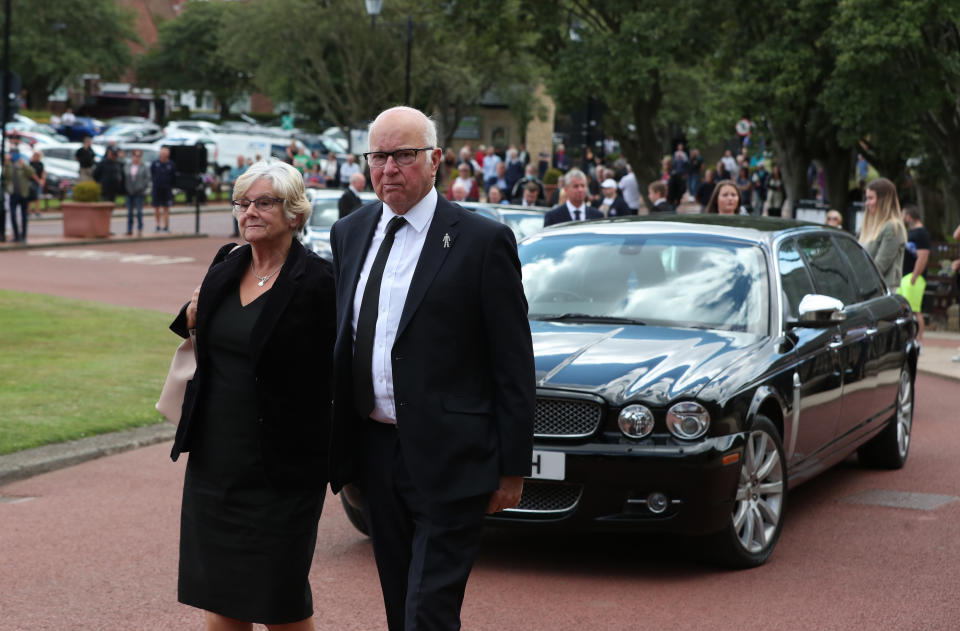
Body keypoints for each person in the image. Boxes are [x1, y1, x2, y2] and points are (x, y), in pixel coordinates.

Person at [328, 106, 535, 631]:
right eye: (379, 156)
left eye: (404, 155)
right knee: (400, 606)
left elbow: (512, 362)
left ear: (436, 160)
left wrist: (513, 467)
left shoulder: (482, 241)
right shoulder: (349, 233)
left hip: (452, 457)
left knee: (428, 611)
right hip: (375, 454)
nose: (389, 168)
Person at [169, 160, 335, 631]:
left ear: (295, 213)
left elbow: (337, 372)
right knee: (219, 596)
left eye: (264, 202)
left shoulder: (319, 281)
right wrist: (188, 312)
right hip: (215, 463)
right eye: (243, 203)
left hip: (282, 472)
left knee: (280, 601)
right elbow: (197, 323)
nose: (250, 212)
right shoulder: (228, 263)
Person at [860, 177, 907, 291]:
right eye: (867, 198)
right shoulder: (868, 226)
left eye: (871, 198)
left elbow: (879, 267)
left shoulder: (893, 227)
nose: (867, 203)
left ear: (884, 200)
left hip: (880, 292)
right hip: (864, 288)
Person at [900, 205, 931, 340]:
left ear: (908, 216)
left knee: (915, 310)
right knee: (904, 309)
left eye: (903, 215)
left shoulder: (922, 233)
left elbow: (923, 256)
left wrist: (915, 275)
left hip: (914, 277)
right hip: (905, 276)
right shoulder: (910, 232)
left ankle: (918, 339)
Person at [2, 142, 36, 243]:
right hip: (13, 194)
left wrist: (24, 165)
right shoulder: (8, 165)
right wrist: (6, 163)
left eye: (16, 153)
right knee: (12, 215)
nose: (14, 155)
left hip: (24, 194)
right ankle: (16, 236)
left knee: (24, 216)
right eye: (12, 153)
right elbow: (4, 176)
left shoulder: (22, 164)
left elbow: (31, 173)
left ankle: (24, 236)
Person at [123, 149, 150, 237]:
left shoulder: (144, 166)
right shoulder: (127, 166)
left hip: (139, 192)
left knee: (139, 211)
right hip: (129, 192)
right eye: (135, 156)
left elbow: (147, 179)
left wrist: (142, 187)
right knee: (130, 212)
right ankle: (129, 229)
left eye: (138, 156)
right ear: (132, 156)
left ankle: (140, 228)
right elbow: (124, 177)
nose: (136, 158)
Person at [151, 146, 177, 232]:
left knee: (166, 208)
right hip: (157, 188)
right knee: (156, 207)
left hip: (167, 189)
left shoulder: (171, 164)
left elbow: (173, 176)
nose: (164, 155)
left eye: (166, 153)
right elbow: (152, 174)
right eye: (162, 153)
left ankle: (165, 226)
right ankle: (157, 226)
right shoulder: (155, 163)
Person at [28, 150, 46, 217]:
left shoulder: (40, 164)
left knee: (37, 197)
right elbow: (32, 173)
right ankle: (28, 211)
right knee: (30, 197)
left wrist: (43, 180)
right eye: (35, 156)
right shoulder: (31, 163)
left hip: (39, 182)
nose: (37, 157)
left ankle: (37, 211)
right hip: (32, 182)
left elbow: (43, 172)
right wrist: (39, 180)